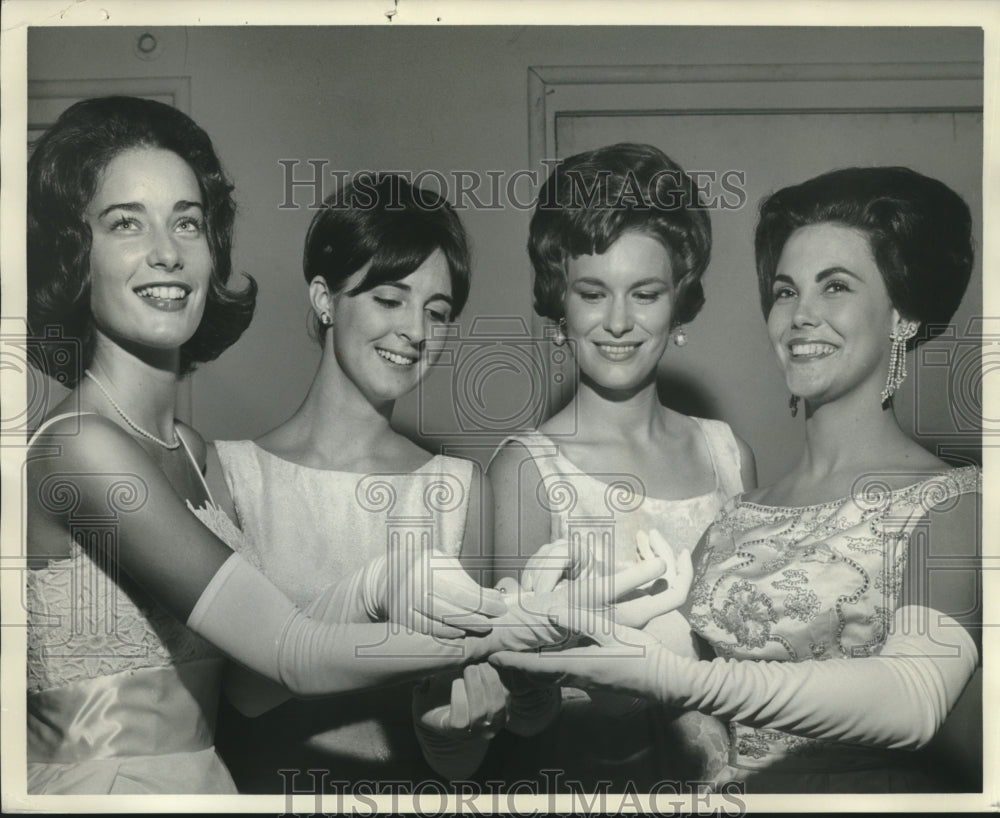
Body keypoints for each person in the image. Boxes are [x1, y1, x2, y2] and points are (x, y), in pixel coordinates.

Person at [23, 97, 563, 795]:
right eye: (126, 222)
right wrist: (495, 626)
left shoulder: (190, 452)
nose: (167, 251)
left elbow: (247, 688)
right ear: (75, 251)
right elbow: (289, 654)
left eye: (187, 222)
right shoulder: (80, 448)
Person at [491, 166, 982, 793]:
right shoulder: (744, 510)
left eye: (835, 286)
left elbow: (916, 701)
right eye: (784, 290)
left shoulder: (959, 502)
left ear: (903, 314)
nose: (801, 315)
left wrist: (674, 678)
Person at [207, 174, 502, 787]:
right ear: (324, 297)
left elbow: (459, 747)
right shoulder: (230, 474)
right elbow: (234, 699)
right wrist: (363, 596)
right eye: (390, 300)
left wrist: (455, 732)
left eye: (437, 312)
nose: (417, 331)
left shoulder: (464, 488)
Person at [484, 143, 757, 790]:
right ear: (560, 302)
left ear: (679, 302)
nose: (617, 322)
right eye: (591, 292)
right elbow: (516, 708)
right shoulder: (526, 473)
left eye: (645, 293)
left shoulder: (728, 454)